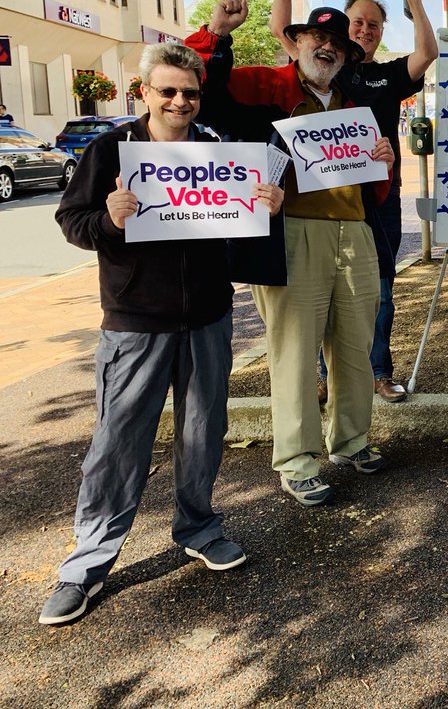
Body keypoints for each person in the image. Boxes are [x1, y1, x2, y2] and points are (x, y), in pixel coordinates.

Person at [41, 44, 284, 625]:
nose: (180, 101)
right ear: (143, 92)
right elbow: (72, 222)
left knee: (203, 430)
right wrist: (110, 218)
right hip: (135, 321)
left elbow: (244, 230)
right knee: (118, 440)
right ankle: (87, 562)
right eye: (168, 90)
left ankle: (198, 526)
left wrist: (268, 205)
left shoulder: (221, 151)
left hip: (206, 317)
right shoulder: (111, 149)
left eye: (190, 92)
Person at [185, 1, 395, 507]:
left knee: (354, 347)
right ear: (295, 41)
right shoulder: (266, 86)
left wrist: (383, 161)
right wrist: (217, 33)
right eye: (316, 40)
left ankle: (350, 441)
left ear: (348, 55)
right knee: (296, 353)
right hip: (291, 233)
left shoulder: (354, 104)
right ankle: (298, 461)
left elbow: (374, 186)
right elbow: (206, 96)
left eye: (339, 45)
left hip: (355, 232)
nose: (327, 49)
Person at [271, 0, 438, 405]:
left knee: (381, 290)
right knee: (327, 289)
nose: (365, 30)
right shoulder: (328, 61)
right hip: (324, 197)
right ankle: (329, 375)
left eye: (374, 24)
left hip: (377, 198)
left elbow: (427, 53)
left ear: (383, 32)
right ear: (345, 31)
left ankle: (380, 371)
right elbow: (281, 30)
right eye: (359, 22)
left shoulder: (387, 75)